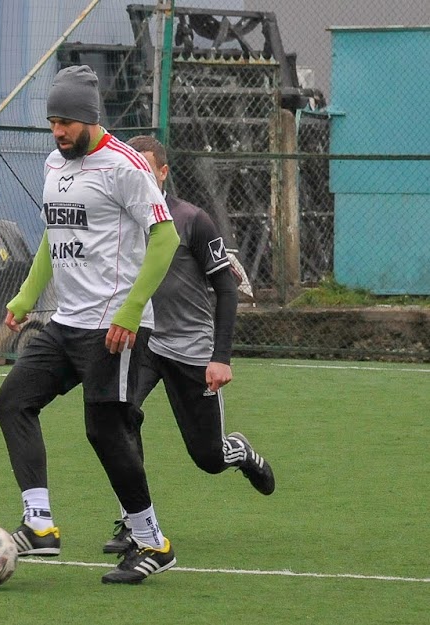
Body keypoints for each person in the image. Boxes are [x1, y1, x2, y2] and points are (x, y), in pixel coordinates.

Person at [0, 65, 181, 585]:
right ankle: (39, 526)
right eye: (52, 120)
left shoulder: (125, 167)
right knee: (13, 402)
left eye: (66, 122)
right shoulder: (55, 163)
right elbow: (56, 238)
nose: (57, 131)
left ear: (90, 119)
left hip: (114, 325)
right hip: (66, 320)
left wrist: (130, 310)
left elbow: (164, 239)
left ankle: (151, 540)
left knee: (103, 429)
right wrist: (29, 294)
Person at [102, 135, 275, 555]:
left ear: (163, 172)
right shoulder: (119, 221)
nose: (138, 177)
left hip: (192, 350)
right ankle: (135, 523)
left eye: (146, 168)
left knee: (208, 458)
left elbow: (227, 290)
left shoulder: (192, 220)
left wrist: (221, 358)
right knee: (116, 419)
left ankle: (238, 450)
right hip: (143, 343)